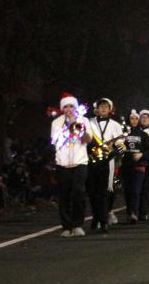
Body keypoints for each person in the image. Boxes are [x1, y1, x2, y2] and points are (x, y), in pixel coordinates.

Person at [51, 93, 92, 237]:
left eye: (71, 106)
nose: (68, 109)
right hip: (62, 164)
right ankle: (66, 226)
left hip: (80, 162)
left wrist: (78, 126)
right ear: (62, 108)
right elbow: (54, 141)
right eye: (66, 107)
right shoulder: (56, 123)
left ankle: (78, 224)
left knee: (78, 193)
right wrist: (66, 126)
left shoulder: (84, 120)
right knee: (64, 195)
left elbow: (88, 139)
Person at [86, 97, 125, 233]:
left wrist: (114, 148)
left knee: (104, 191)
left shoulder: (115, 125)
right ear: (97, 108)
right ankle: (96, 217)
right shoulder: (89, 122)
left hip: (107, 161)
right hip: (91, 160)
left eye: (106, 106)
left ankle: (103, 221)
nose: (103, 108)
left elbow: (120, 143)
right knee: (92, 191)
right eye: (100, 106)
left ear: (110, 109)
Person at [121, 109, 149, 223]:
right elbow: (119, 148)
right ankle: (130, 212)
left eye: (136, 118)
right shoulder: (124, 133)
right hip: (126, 166)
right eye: (131, 118)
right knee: (128, 191)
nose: (134, 121)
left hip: (139, 166)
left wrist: (141, 154)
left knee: (136, 190)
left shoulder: (143, 135)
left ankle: (134, 213)